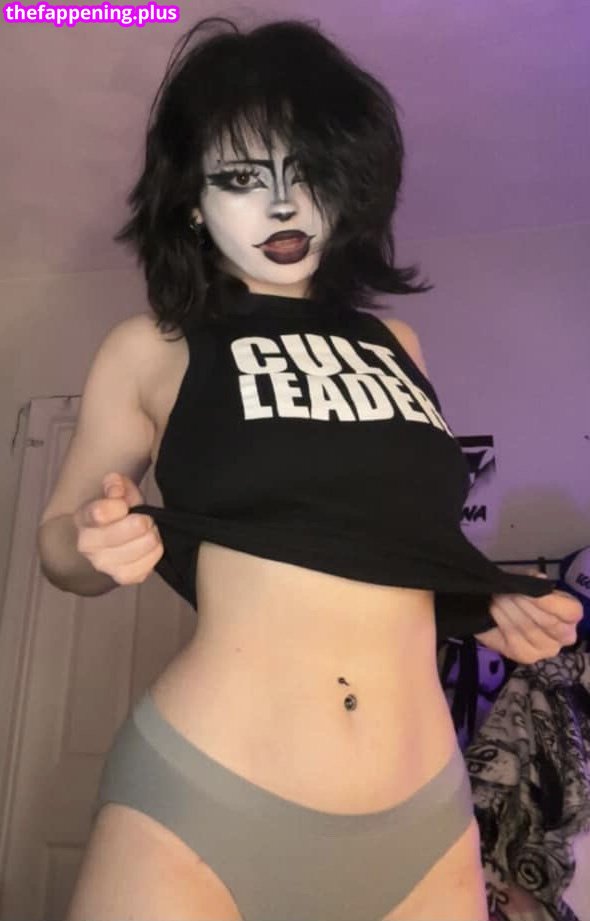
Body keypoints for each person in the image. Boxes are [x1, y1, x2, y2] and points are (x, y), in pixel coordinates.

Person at [37, 16, 582, 921]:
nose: (283, 205)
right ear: (191, 201)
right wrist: (92, 544)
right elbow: (58, 543)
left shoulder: (397, 344)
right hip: (204, 799)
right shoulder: (152, 347)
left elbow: (382, 532)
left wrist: (483, 603)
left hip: (422, 811)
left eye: (308, 174)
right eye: (242, 178)